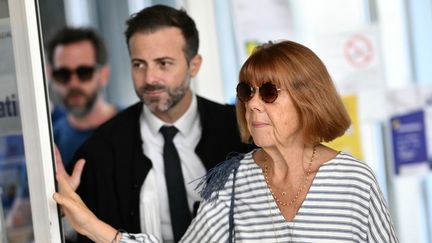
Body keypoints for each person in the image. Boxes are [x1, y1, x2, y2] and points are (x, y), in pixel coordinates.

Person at [54, 40, 399, 242]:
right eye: (246, 92)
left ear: (307, 98)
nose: (252, 104)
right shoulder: (232, 182)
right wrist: (92, 225)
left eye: (268, 92)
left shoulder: (354, 181)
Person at [65, 5, 255, 243]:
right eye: (139, 64)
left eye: (163, 63)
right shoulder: (100, 152)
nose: (149, 79)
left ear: (194, 65)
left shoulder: (242, 131)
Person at [46, 27, 119, 168]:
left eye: (84, 72)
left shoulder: (136, 129)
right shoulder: (48, 144)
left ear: (104, 74)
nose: (73, 83)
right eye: (63, 73)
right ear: (51, 76)